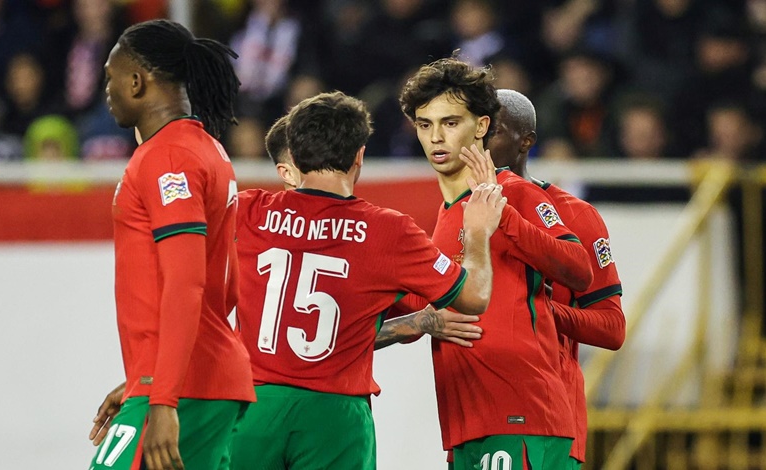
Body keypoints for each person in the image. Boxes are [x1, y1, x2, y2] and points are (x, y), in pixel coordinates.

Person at [229, 91, 507, 470]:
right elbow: (474, 297)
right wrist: (476, 232)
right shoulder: (387, 230)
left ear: (292, 155)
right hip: (334, 416)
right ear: (359, 155)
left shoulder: (246, 211)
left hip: (251, 410)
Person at [397, 58, 594, 470]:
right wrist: (415, 323)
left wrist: (503, 217)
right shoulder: (444, 217)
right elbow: (414, 309)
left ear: (482, 126)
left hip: (520, 413)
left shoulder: (512, 193)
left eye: (450, 123)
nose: (436, 137)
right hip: (468, 421)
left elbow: (578, 268)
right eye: (424, 124)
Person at [88, 19, 254, 470]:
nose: (106, 89)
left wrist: (163, 397)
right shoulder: (205, 149)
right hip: (191, 380)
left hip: (185, 390)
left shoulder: (168, 157)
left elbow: (186, 282)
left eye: (110, 76)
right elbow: (228, 288)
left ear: (138, 81)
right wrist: (146, 376)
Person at [474, 88, 626, 469]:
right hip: (473, 409)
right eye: (475, 129)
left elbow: (612, 327)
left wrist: (533, 311)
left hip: (546, 413)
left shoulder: (575, 215)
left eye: (493, 131)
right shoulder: (459, 208)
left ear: (526, 141)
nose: (479, 141)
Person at [264, 112, 485, 348]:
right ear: (287, 171)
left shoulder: (251, 215)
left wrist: (418, 322)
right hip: (333, 383)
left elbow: (337, 336)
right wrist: (479, 231)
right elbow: (470, 296)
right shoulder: (380, 230)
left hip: (255, 383)